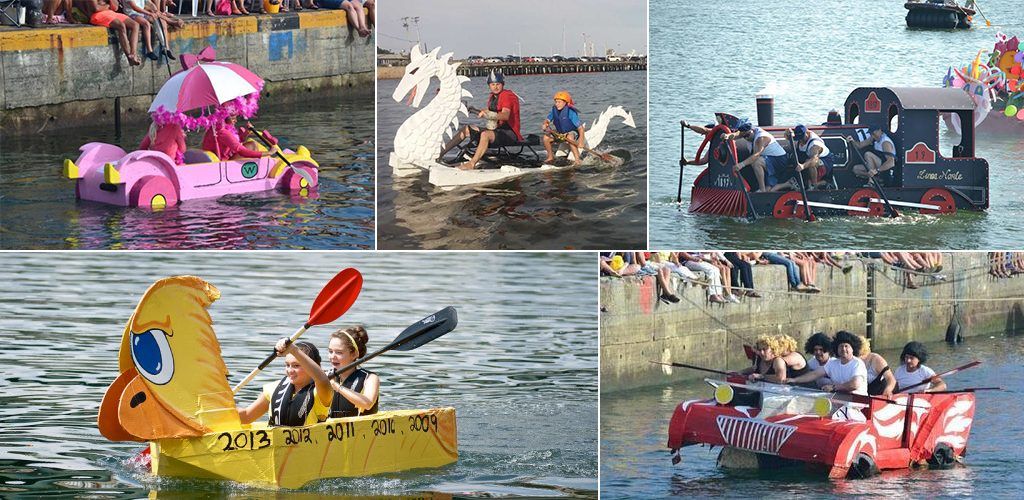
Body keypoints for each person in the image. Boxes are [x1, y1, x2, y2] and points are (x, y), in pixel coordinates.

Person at [438, 70, 522, 170]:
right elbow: (489, 112)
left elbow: (505, 116)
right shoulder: (493, 97)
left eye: (498, 84)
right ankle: (439, 155)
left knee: (485, 134)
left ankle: (472, 163)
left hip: (509, 133)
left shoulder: (507, 95)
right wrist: (473, 109)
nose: (495, 87)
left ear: (502, 84)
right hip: (497, 130)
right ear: (489, 85)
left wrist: (487, 114)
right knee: (466, 129)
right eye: (493, 84)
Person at [237, 340, 332, 426]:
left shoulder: (320, 393)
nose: (290, 370)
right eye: (287, 365)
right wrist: (224, 405)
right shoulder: (273, 388)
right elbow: (246, 416)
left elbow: (322, 380)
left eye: (296, 366)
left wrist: (294, 350)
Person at [787, 330, 867, 396]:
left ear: (853, 349)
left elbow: (855, 384)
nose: (843, 349)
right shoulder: (833, 364)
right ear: (836, 349)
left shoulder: (858, 363)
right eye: (840, 346)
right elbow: (814, 374)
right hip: (839, 402)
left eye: (846, 346)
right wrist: (794, 380)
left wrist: (834, 387)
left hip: (858, 404)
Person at [326, 326, 379, 417]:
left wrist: (337, 386)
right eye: (330, 351)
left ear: (354, 354)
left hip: (362, 429)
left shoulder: (370, 378)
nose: (332, 356)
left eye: (339, 352)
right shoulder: (324, 376)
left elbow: (367, 404)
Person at [722, 120, 789, 192]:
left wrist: (741, 165)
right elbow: (737, 135)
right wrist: (727, 136)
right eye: (744, 137)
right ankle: (788, 184)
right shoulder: (747, 132)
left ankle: (762, 189)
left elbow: (756, 155)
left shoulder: (761, 138)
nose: (746, 138)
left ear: (752, 130)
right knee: (769, 189)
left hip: (779, 161)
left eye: (747, 136)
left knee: (756, 162)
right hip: (767, 159)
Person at [82, 0, 141, 66]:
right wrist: (108, 6)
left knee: (135, 25)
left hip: (111, 13)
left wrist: (107, 5)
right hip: (98, 15)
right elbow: (96, 8)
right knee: (121, 26)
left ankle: (133, 53)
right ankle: (129, 57)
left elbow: (115, 8)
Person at [202, 115, 280, 160]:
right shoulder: (223, 132)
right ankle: (256, 172)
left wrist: (246, 133)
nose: (235, 120)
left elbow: (234, 143)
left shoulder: (214, 128)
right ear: (224, 118)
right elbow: (242, 152)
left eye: (236, 117)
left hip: (223, 157)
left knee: (250, 143)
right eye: (233, 118)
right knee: (253, 144)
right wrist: (269, 152)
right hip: (223, 163)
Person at [542, 90, 587, 165]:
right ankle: (550, 156)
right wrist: (545, 124)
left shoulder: (571, 112)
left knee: (570, 137)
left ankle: (577, 159)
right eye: (556, 102)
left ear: (565, 102)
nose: (557, 104)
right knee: (545, 138)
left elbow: (581, 128)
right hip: (560, 134)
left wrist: (581, 142)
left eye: (559, 102)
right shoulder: (554, 110)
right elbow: (547, 120)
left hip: (572, 133)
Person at [788, 124, 835, 190]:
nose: (800, 140)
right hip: (809, 157)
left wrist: (803, 166)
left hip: (825, 161)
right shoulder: (801, 137)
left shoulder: (815, 145)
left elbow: (814, 159)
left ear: (806, 133)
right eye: (799, 139)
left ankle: (815, 186)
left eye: (801, 138)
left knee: (810, 163)